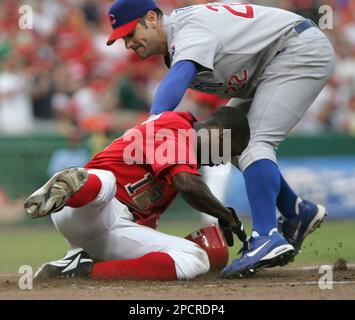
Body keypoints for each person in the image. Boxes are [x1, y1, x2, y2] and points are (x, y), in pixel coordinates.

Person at [105, 0, 335, 278]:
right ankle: (296, 211)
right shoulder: (179, 36)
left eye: (131, 33)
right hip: (274, 61)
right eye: (123, 38)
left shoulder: (186, 30)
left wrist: (153, 121)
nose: (128, 43)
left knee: (255, 143)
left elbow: (179, 76)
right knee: (229, 142)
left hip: (296, 49)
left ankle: (266, 235)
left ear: (152, 18)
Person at [24, 107, 250, 281]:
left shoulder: (184, 163)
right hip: (82, 208)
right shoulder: (175, 125)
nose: (225, 159)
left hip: (111, 233)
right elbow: (188, 185)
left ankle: (79, 270)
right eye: (231, 151)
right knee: (106, 182)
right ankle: (71, 187)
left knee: (195, 258)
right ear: (221, 135)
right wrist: (226, 215)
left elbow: (147, 228)